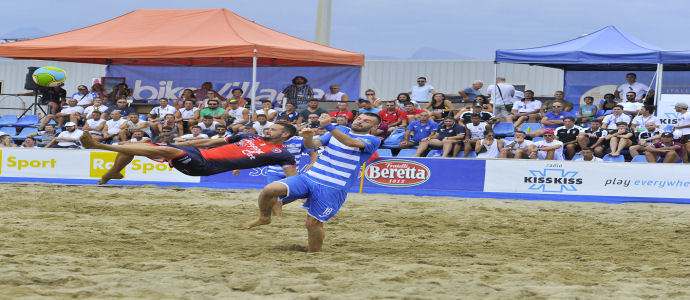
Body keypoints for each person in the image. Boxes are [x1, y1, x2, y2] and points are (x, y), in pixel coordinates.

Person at [238, 113, 381, 253]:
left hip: (334, 186)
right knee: (270, 189)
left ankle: (313, 253)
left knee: (312, 224)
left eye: (366, 121)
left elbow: (351, 142)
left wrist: (329, 126)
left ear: (374, 127)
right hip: (310, 177)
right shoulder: (340, 130)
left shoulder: (373, 140)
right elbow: (314, 145)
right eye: (359, 118)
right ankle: (264, 218)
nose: (360, 121)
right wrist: (308, 138)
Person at [80, 122, 299, 184]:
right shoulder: (247, 136)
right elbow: (213, 141)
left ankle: (99, 146)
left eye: (273, 129)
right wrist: (190, 141)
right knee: (140, 145)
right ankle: (114, 173)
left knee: (165, 149)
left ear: (285, 135)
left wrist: (297, 194)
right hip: (196, 151)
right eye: (268, 127)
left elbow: (293, 179)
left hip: (203, 166)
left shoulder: (283, 154)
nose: (268, 129)